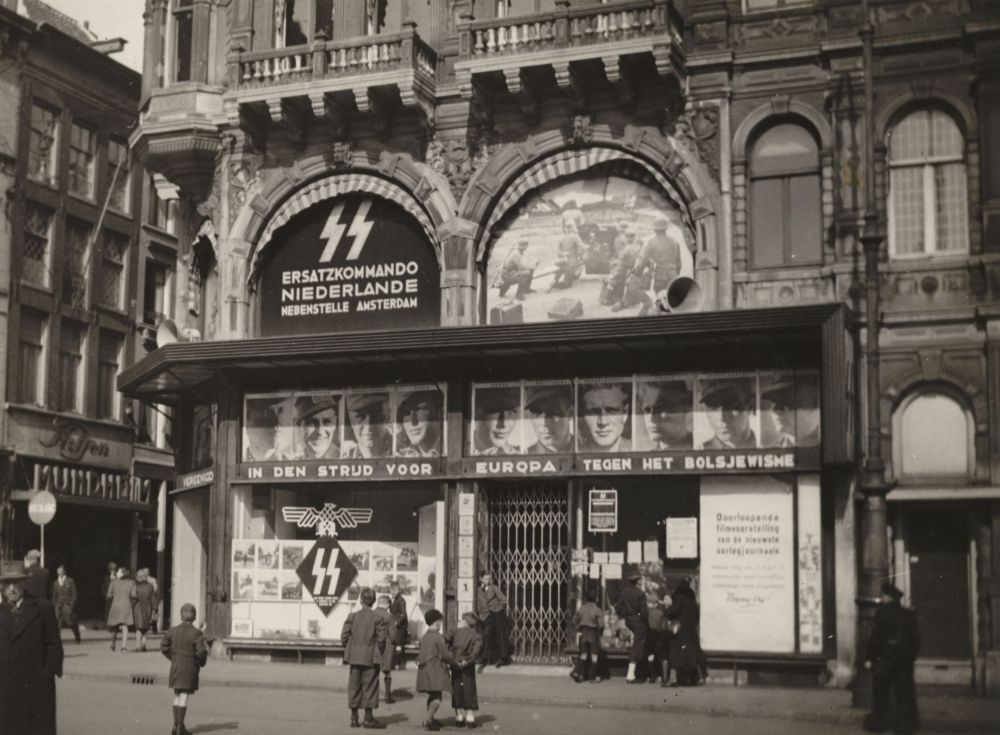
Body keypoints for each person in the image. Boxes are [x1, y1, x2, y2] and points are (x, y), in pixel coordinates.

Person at [0, 560, 63, 735]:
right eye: (7, 584)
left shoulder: (43, 608)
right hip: (7, 686)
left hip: (37, 685)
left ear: (24, 583)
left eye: (16, 583)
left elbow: (54, 645)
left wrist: (47, 674)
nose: (12, 588)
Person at [864, 582, 920, 735]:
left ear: (888, 597)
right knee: (904, 692)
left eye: (883, 596)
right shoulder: (908, 614)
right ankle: (905, 726)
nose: (881, 598)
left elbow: (876, 638)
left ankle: (879, 723)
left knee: (881, 692)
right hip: (904, 660)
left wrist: (869, 658)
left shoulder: (883, 614)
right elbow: (916, 639)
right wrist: (910, 657)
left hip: (886, 658)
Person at [341, 587, 387, 729]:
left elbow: (344, 636)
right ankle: (368, 718)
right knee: (370, 686)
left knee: (354, 686)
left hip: (354, 657)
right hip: (370, 657)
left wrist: (351, 648)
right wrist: (379, 650)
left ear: (361, 600)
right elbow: (381, 639)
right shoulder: (378, 618)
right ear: (373, 602)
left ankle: (354, 718)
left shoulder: (352, 617)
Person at [160, 602, 208, 735]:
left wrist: (173, 657)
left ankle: (175, 726)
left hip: (176, 666)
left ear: (181, 616)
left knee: (177, 694)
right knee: (184, 696)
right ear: (194, 617)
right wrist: (201, 662)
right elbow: (201, 652)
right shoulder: (196, 633)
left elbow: (163, 646)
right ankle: (180, 727)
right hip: (189, 667)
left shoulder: (172, 631)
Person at [416, 608, 460, 731]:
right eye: (439, 621)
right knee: (437, 698)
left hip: (424, 671)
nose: (440, 624)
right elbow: (445, 655)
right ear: (437, 623)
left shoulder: (424, 637)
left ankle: (431, 717)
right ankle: (428, 719)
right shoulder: (438, 637)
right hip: (436, 670)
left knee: (432, 695)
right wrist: (456, 664)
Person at [762, 377, 821, 448]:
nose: (775, 411)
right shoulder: (774, 452)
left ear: (816, 407)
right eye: (775, 402)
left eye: (789, 403)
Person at [698, 379, 757, 449]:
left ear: (751, 406)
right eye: (713, 406)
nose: (721, 417)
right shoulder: (697, 453)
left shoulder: (769, 448)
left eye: (730, 404)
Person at [448, 611, 483, 728]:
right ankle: (470, 717)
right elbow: (475, 653)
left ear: (464, 621)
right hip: (467, 667)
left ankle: (458, 717)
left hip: (455, 665)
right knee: (469, 688)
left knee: (456, 688)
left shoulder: (455, 632)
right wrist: (466, 661)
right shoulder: (476, 636)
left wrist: (452, 659)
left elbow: (446, 642)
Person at [637, 380, 694, 450]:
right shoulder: (648, 457)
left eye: (660, 408)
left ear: (685, 408)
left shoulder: (701, 447)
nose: (652, 419)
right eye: (647, 410)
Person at [577, 382, 632, 453]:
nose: (603, 422)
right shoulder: (574, 454)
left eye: (611, 411)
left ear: (625, 413)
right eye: (594, 412)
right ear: (583, 415)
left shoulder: (639, 450)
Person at [666, 579, 701, 686]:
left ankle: (673, 679)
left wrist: (668, 609)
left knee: (675, 655)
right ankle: (693, 679)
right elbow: (697, 618)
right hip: (690, 632)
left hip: (679, 631)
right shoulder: (693, 601)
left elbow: (674, 612)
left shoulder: (678, 598)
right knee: (690, 656)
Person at [634, 217, 683, 294]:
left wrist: (637, 272)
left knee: (660, 298)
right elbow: (679, 262)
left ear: (654, 229)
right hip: (673, 274)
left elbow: (643, 259)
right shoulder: (674, 241)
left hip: (660, 276)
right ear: (666, 228)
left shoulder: (651, 243)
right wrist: (676, 273)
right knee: (672, 298)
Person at [615, 572, 648, 683]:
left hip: (629, 620)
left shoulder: (624, 592)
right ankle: (631, 674)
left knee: (636, 643)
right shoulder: (640, 593)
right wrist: (643, 619)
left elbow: (618, 606)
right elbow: (644, 611)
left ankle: (636, 671)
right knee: (638, 644)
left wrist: (625, 615)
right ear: (638, 581)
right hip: (638, 621)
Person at [475, 572, 510, 671]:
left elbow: (504, 600)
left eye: (489, 579)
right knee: (486, 635)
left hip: (496, 614)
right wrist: (481, 613)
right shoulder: (478, 590)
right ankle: (484, 658)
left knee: (500, 635)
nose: (488, 581)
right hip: (486, 616)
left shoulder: (494, 588)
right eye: (486, 579)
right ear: (481, 579)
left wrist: (497, 608)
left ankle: (503, 658)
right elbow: (479, 603)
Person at [524, 386, 574, 454]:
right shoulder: (525, 457)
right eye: (536, 413)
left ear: (570, 413)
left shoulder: (589, 449)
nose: (545, 422)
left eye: (553, 411)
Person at [342, 394, 392, 459]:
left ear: (387, 418)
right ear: (352, 423)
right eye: (360, 417)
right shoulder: (341, 457)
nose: (368, 427)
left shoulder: (401, 454)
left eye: (376, 416)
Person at [473, 388, 521, 456]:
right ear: (477, 413)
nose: (502, 424)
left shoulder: (519, 454)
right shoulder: (468, 450)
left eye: (511, 412)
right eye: (494, 410)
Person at [397, 390, 443, 457]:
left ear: (438, 414)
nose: (413, 422)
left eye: (420, 410)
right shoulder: (403, 455)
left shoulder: (448, 448)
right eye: (406, 413)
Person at [571, 592, 604, 683]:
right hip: (593, 633)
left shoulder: (581, 609)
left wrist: (579, 628)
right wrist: (600, 632)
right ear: (595, 600)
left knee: (584, 655)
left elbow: (574, 621)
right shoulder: (597, 610)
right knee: (594, 656)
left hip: (583, 633)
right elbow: (601, 625)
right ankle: (592, 677)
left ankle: (576, 671)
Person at [373, 595, 397, 704]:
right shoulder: (389, 616)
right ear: (387, 604)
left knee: (374, 672)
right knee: (387, 672)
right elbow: (392, 635)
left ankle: (374, 696)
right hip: (387, 646)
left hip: (374, 646)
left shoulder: (372, 614)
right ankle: (388, 695)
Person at [548, 220, 584, 292]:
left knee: (562, 269)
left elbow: (558, 251)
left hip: (563, 260)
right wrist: (578, 254)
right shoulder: (575, 237)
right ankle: (556, 284)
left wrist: (562, 254)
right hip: (572, 261)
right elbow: (581, 248)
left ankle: (555, 280)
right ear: (573, 227)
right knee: (567, 284)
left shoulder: (562, 237)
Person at [106, 566, 136, 653]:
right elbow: (134, 595)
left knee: (114, 626)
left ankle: (113, 643)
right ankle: (124, 646)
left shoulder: (113, 582)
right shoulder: (132, 583)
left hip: (115, 606)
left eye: (118, 572)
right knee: (125, 626)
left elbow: (108, 595)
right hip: (126, 606)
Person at [51, 563, 81, 644]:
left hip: (67, 605)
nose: (59, 572)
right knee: (57, 622)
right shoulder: (55, 583)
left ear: (64, 571)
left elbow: (74, 594)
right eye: (58, 571)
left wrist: (71, 604)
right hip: (58, 605)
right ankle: (57, 639)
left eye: (61, 570)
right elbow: (54, 595)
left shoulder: (70, 581)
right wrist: (54, 605)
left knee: (70, 621)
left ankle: (77, 635)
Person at [133, 568, 160, 652]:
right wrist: (155, 608)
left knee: (138, 627)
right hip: (148, 607)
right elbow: (153, 598)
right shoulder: (150, 586)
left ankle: (138, 645)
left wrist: (131, 607)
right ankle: (144, 644)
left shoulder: (135, 586)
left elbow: (133, 598)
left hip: (138, 607)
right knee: (145, 628)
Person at [388, 582, 410, 670]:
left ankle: (398, 664)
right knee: (394, 643)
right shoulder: (393, 599)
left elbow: (403, 614)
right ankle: (394, 663)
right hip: (395, 625)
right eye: (391, 590)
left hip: (401, 626)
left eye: (394, 590)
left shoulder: (401, 600)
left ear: (398, 590)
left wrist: (397, 622)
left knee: (397, 644)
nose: (392, 592)